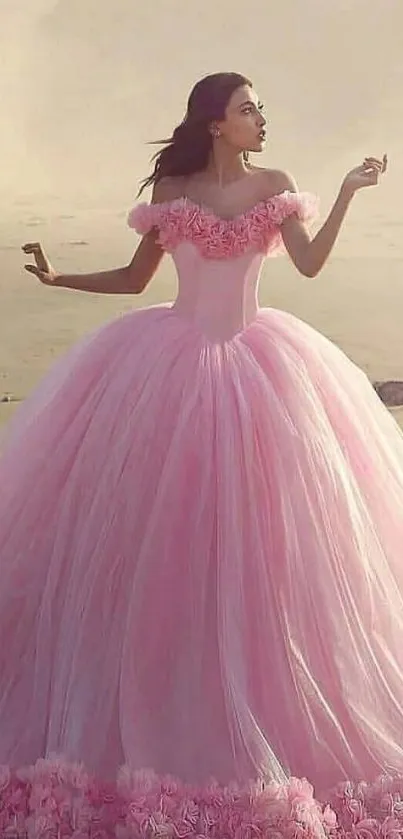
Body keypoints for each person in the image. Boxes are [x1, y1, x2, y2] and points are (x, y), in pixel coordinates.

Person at [0, 70, 402, 834]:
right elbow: (133, 277)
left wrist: (347, 190)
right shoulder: (174, 187)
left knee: (268, 550)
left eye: (260, 108)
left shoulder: (276, 187)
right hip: (168, 367)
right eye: (248, 108)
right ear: (214, 122)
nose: (261, 118)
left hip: (262, 368)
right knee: (156, 543)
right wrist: (58, 277)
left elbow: (309, 265)